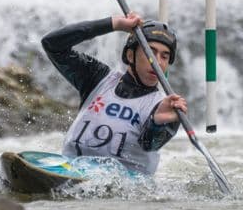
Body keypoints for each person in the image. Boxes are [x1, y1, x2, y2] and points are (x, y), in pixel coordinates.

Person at [41, 13, 185, 175]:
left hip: (123, 187)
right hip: (72, 169)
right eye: (150, 53)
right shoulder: (98, 78)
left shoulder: (164, 107)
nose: (158, 61)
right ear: (130, 55)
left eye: (164, 56)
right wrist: (113, 24)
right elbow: (52, 44)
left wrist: (158, 124)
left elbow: (150, 144)